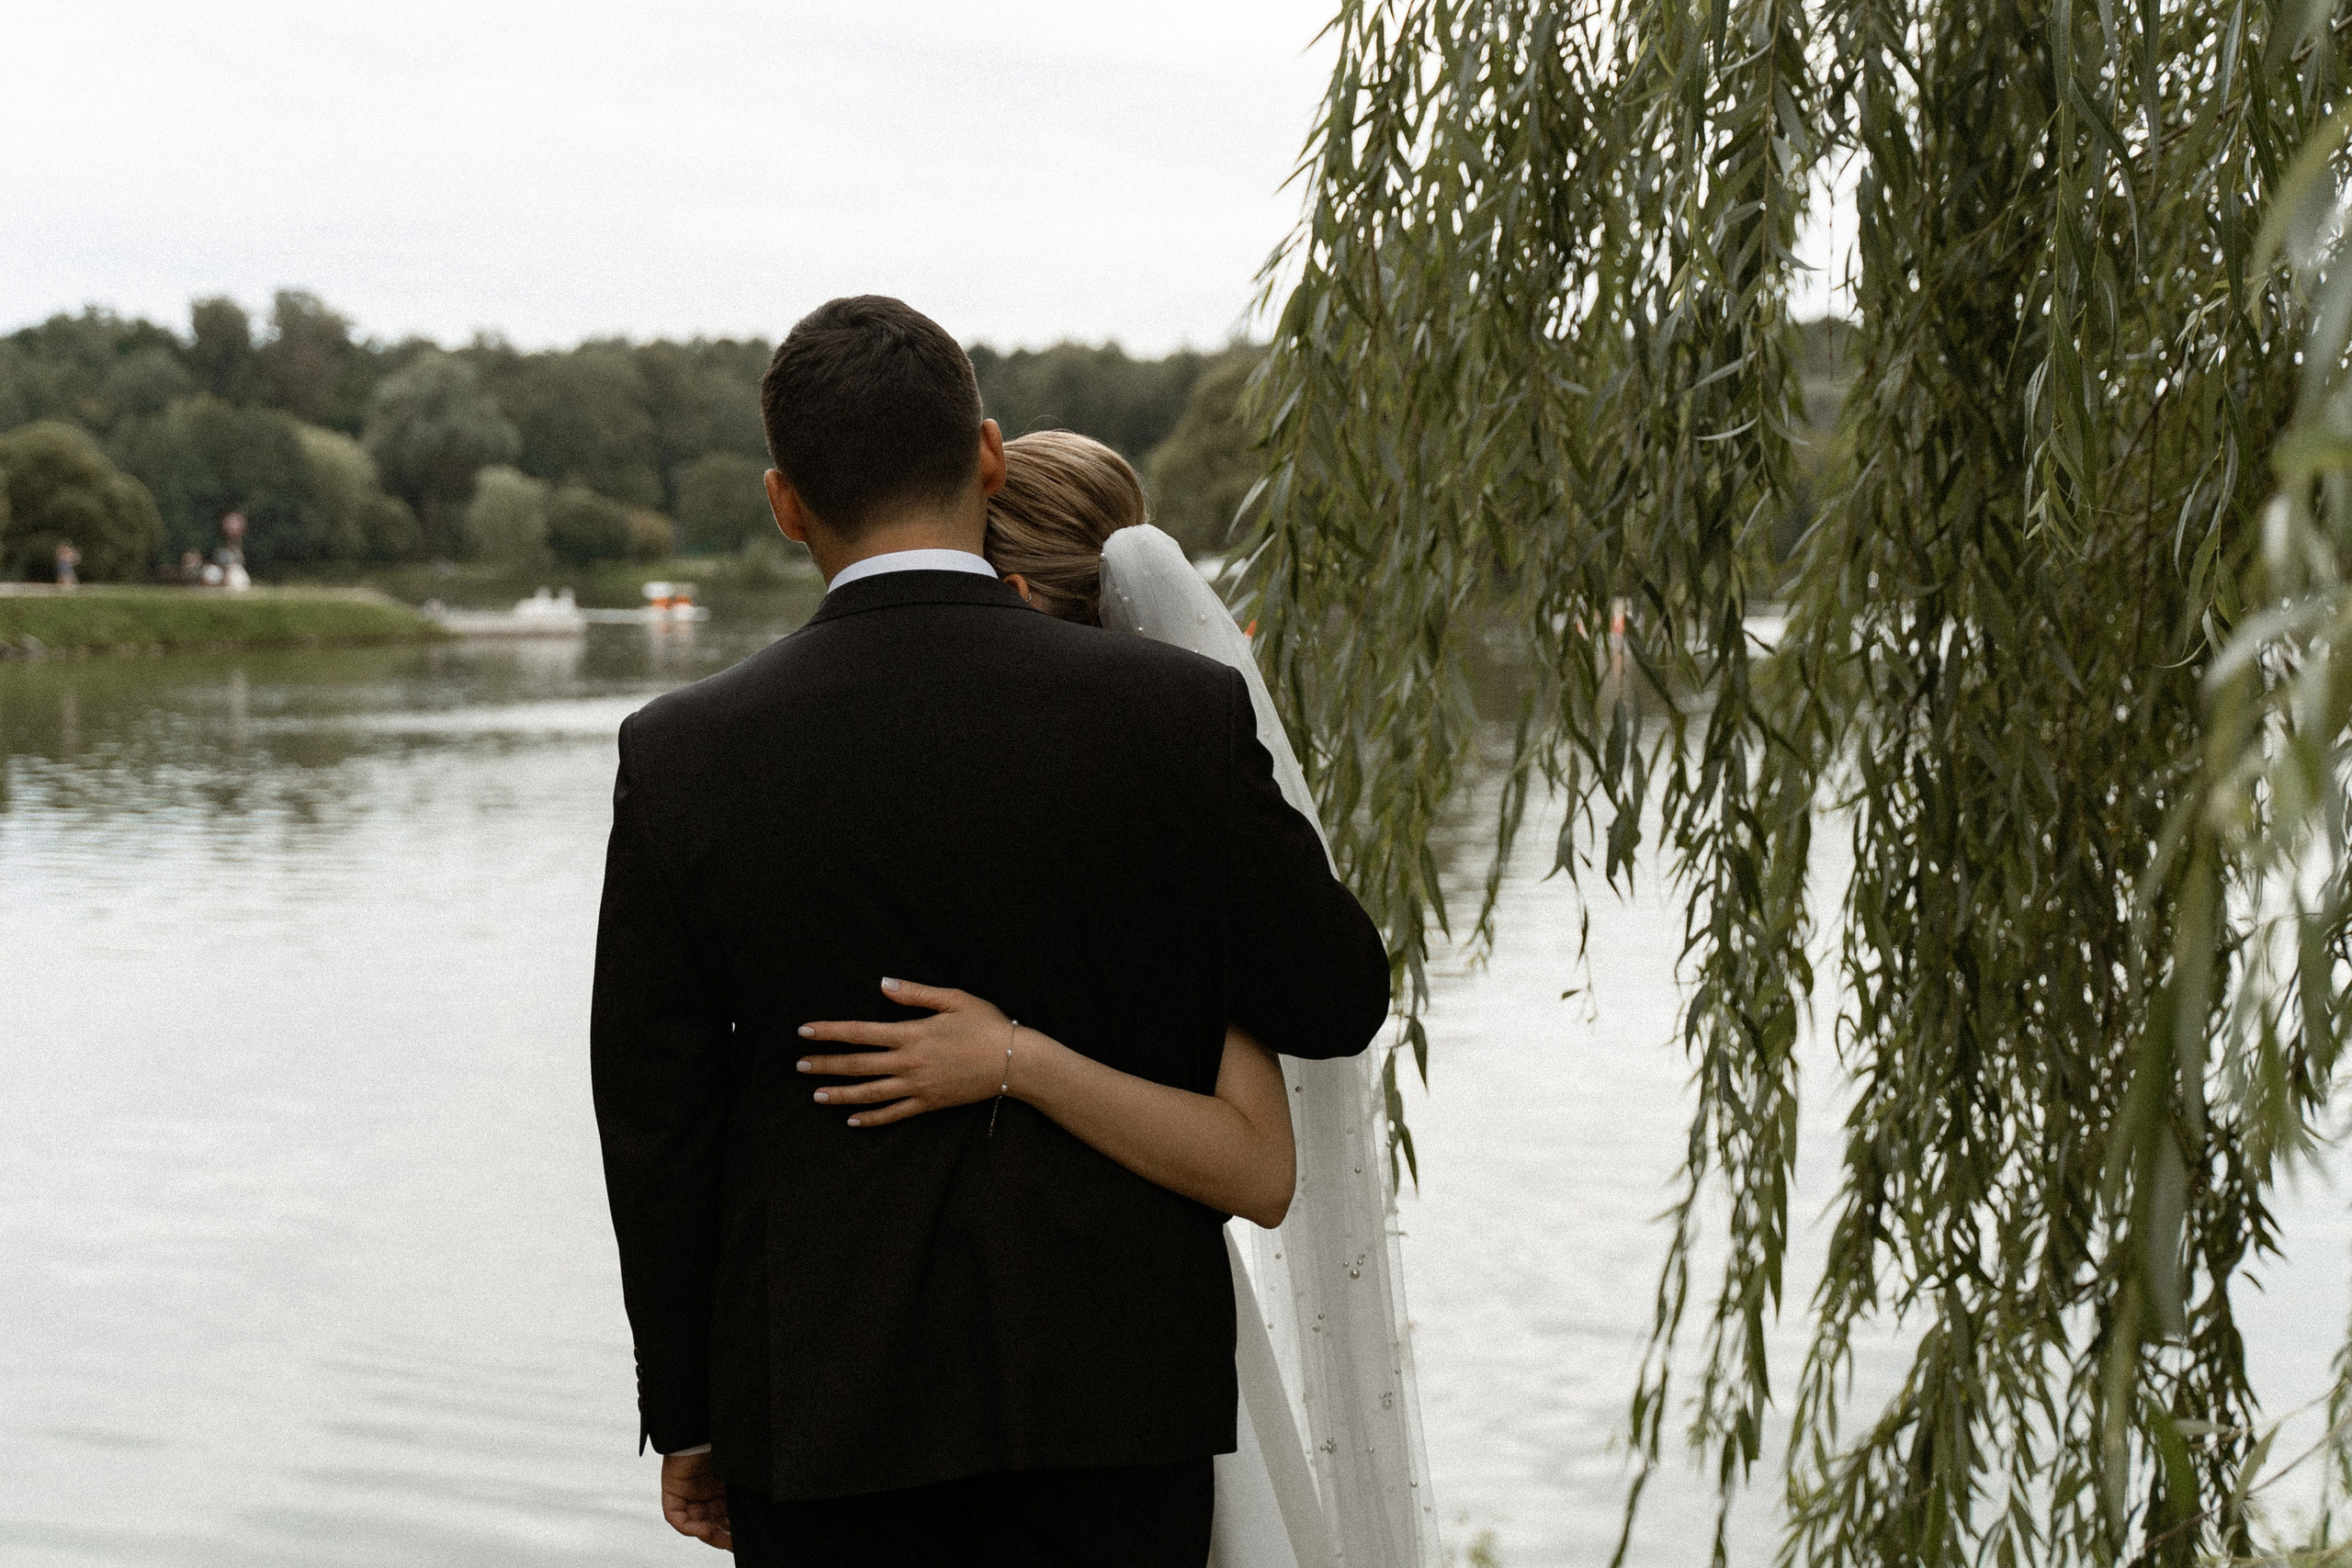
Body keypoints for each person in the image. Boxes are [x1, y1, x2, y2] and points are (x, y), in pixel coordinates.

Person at [591, 297, 1391, 1568]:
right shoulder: (1172, 717)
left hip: (824, 1417)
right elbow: (1338, 999)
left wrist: (687, 1412)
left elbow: (656, 1124)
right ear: (988, 455)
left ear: (785, 504)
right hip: (1116, 1411)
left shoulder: (682, 756)